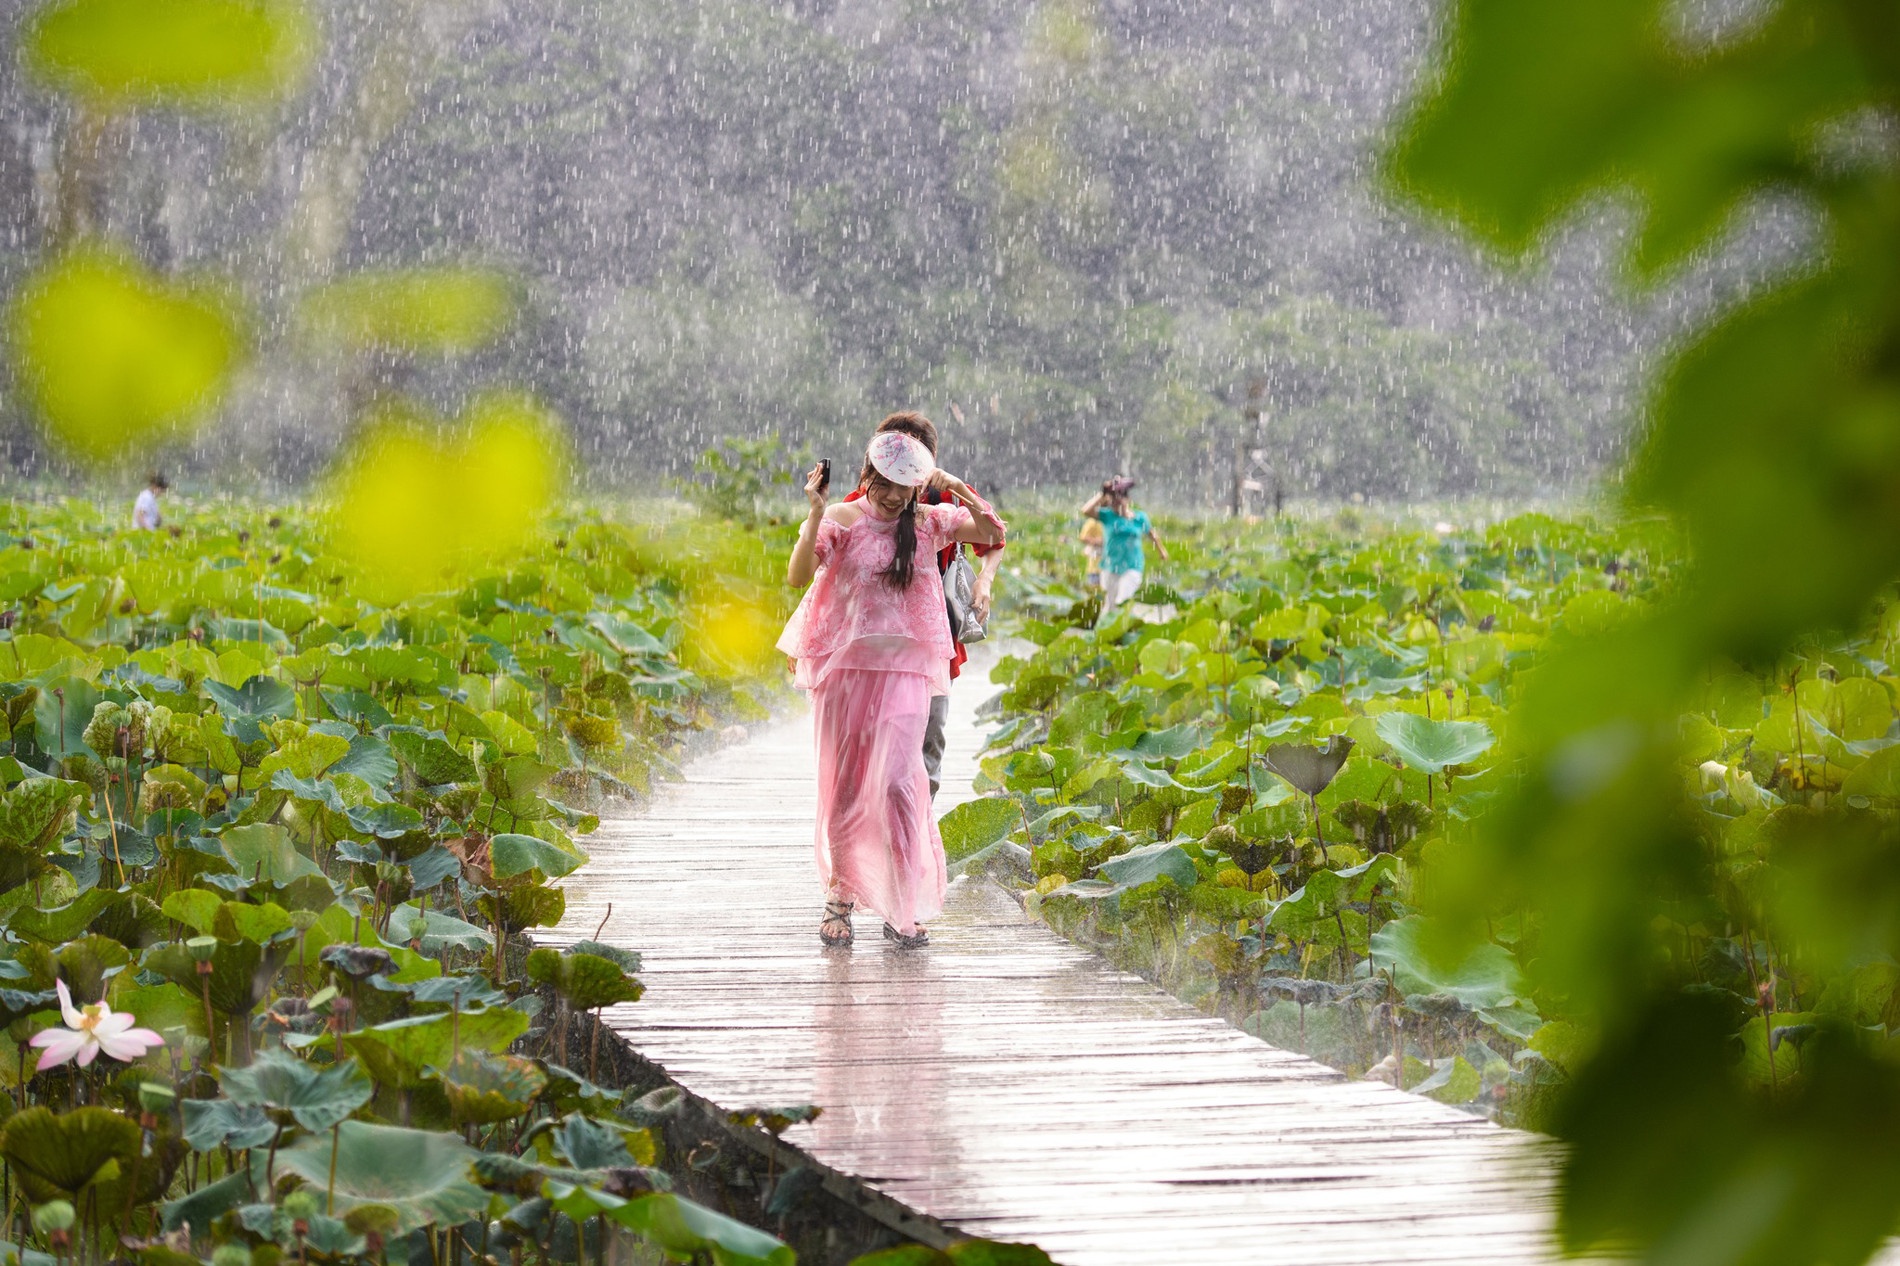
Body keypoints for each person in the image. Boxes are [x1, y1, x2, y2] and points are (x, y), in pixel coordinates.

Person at [780, 428, 1006, 949]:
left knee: (903, 786)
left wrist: (955, 485)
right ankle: (841, 897)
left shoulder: (928, 523)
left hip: (906, 674)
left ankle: (903, 906)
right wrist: (815, 509)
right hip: (846, 671)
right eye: (885, 483)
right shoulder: (841, 518)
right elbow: (797, 576)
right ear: (869, 475)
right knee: (849, 785)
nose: (893, 496)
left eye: (905, 486)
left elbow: (994, 533)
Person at [841, 412, 1004, 796]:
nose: (895, 489)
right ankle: (878, 818)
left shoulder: (941, 498)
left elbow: (994, 536)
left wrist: (985, 580)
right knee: (874, 737)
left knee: (930, 732)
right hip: (873, 639)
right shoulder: (861, 501)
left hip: (931, 632)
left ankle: (918, 825)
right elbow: (826, 566)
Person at [1081, 476, 1167, 611]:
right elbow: (1085, 510)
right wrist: (1103, 493)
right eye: (1113, 502)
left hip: (1133, 565)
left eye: (1119, 501)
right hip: (1110, 565)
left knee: (1123, 600)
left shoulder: (1139, 518)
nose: (1116, 505)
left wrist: (1161, 551)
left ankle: (1124, 626)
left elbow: (1151, 534)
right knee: (1110, 605)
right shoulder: (1108, 516)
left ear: (1127, 500)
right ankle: (1107, 631)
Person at [1079, 515, 1104, 591]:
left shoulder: (1114, 521)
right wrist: (1097, 541)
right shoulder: (1093, 522)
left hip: (1112, 567)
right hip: (1096, 566)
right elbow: (1083, 537)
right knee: (1095, 593)